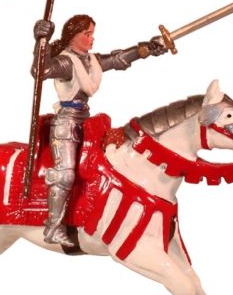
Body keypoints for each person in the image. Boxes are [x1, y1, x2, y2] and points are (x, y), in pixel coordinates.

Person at [32, 14, 167, 247]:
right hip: (65, 125)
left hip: (86, 121)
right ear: (74, 36)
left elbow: (117, 59)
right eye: (87, 34)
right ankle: (53, 227)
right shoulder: (66, 62)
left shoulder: (91, 61)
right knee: (66, 175)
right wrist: (41, 42)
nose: (92, 38)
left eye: (92, 33)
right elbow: (40, 71)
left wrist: (147, 48)